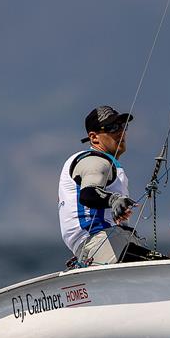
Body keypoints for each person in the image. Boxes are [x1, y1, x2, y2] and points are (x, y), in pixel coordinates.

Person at [58, 105, 137, 266]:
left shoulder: (102, 162)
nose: (121, 132)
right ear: (94, 138)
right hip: (99, 241)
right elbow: (88, 194)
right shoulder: (95, 160)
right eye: (112, 127)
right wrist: (114, 200)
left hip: (99, 245)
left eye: (122, 126)